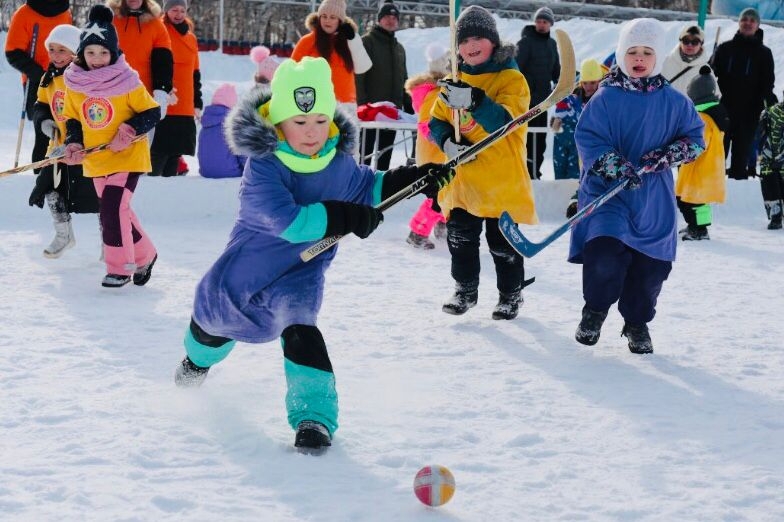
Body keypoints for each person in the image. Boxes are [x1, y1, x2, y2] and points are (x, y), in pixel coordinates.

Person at [171, 57, 452, 453]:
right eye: (300, 123)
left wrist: (411, 178)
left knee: (301, 329)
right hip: (249, 267)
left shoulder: (336, 158)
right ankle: (195, 363)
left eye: (321, 121)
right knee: (212, 326)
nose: (312, 133)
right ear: (279, 122)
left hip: (302, 271)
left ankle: (313, 418)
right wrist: (342, 215)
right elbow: (284, 220)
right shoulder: (264, 165)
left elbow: (364, 186)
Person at [570, 18, 705, 354]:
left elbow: (696, 140)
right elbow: (588, 137)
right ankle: (595, 310)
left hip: (651, 197)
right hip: (608, 193)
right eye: (632, 51)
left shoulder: (675, 102)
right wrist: (613, 164)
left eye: (647, 51)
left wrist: (667, 155)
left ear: (658, 56)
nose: (639, 57)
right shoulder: (605, 98)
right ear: (621, 54)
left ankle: (636, 322)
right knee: (604, 252)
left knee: (650, 269)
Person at [430, 5, 535, 321]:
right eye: (464, 40)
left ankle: (510, 294)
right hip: (463, 179)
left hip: (500, 179)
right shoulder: (454, 79)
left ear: (493, 41)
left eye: (479, 38)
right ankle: (465, 290)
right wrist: (447, 141)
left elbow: (505, 121)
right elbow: (437, 119)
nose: (471, 45)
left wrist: (475, 101)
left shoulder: (511, 79)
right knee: (460, 238)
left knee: (502, 243)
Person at [61, 5, 161, 288]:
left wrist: (128, 130)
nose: (97, 59)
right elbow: (72, 119)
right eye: (91, 52)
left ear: (114, 53)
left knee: (112, 208)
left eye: (104, 52)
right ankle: (145, 254)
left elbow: (152, 112)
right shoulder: (74, 83)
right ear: (81, 53)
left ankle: (119, 267)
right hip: (97, 159)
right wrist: (74, 144)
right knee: (118, 210)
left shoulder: (127, 81)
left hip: (127, 155)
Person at [28, 23, 100, 258]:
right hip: (57, 147)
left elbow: (87, 114)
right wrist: (44, 123)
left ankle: (110, 244)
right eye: (52, 49)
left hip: (85, 149)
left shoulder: (84, 78)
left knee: (101, 198)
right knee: (48, 188)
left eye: (62, 50)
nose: (55, 56)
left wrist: (75, 140)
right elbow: (41, 105)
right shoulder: (47, 78)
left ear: (75, 53)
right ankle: (64, 234)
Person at [5, 0, 73, 171]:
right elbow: (13, 52)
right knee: (44, 130)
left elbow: (72, 46)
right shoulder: (24, 13)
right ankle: (40, 175)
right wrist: (40, 74)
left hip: (65, 79)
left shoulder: (65, 13)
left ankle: (65, 174)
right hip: (37, 79)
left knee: (68, 128)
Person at [710, 7, 776, 180]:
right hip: (723, 110)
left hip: (749, 113)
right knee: (716, 156)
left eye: (752, 20)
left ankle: (736, 198)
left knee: (741, 159)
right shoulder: (725, 49)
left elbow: (768, 84)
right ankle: (713, 195)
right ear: (739, 23)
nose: (748, 23)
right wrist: (709, 68)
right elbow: (712, 77)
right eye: (744, 19)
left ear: (757, 25)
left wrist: (772, 105)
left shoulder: (764, 53)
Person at [403, 43, 449, 250]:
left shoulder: (438, 90)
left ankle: (443, 226)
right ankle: (417, 232)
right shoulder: (435, 93)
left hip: (441, 152)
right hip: (436, 153)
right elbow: (426, 125)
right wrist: (443, 139)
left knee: (447, 192)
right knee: (437, 195)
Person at [676, 65, 730, 241]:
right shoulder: (714, 114)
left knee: (689, 201)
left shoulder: (703, 119)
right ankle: (698, 227)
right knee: (699, 201)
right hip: (708, 168)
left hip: (698, 169)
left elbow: (698, 143)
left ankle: (698, 230)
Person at [149, 0, 202, 177]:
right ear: (166, 10)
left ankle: (168, 196)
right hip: (164, 100)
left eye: (182, 10)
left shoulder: (191, 38)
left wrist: (197, 102)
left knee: (175, 153)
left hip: (185, 104)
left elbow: (195, 73)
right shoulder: (158, 30)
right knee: (157, 152)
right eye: (174, 10)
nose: (178, 14)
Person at [290, 0, 371, 115]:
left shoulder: (350, 40)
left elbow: (363, 68)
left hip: (345, 106)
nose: (327, 20)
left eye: (333, 17)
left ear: (340, 20)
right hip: (315, 106)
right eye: (324, 16)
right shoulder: (307, 41)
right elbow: (291, 72)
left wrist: (353, 39)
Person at [356, 0, 408, 170]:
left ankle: (382, 190)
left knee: (385, 155)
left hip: (392, 112)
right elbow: (359, 76)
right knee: (365, 154)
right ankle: (361, 189)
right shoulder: (367, 42)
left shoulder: (399, 48)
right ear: (379, 19)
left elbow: (404, 80)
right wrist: (362, 104)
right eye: (386, 16)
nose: (391, 20)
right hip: (370, 111)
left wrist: (408, 105)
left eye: (394, 17)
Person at [515, 6, 559, 180]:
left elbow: (555, 70)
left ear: (550, 24)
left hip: (543, 102)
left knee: (540, 140)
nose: (541, 24)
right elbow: (515, 70)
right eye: (539, 21)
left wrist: (570, 77)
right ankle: (525, 173)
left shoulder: (551, 44)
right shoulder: (525, 42)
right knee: (527, 139)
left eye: (545, 22)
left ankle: (535, 173)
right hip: (527, 102)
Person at [107, 0, 174, 114]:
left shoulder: (156, 25)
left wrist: (161, 93)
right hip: (110, 98)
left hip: (144, 100)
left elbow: (163, 64)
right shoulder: (109, 22)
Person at [551, 58, 605, 180]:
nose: (588, 87)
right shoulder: (572, 97)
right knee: (560, 176)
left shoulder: (603, 100)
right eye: (585, 83)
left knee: (578, 178)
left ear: (599, 81)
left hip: (586, 147)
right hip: (564, 142)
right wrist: (556, 119)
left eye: (592, 82)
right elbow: (559, 112)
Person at [197, 83, 246, 179]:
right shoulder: (233, 124)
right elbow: (242, 153)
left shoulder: (206, 123)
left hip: (206, 172)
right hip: (230, 172)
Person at [661, 25, 714, 96]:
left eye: (695, 42)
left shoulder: (706, 70)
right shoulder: (664, 62)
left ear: (701, 44)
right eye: (686, 41)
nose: (690, 45)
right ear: (680, 41)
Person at [758, 90, 784, 229]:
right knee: (769, 182)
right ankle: (776, 215)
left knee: (770, 181)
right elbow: (763, 136)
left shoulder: (770, 111)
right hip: (770, 156)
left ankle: (776, 215)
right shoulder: (770, 112)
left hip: (772, 156)